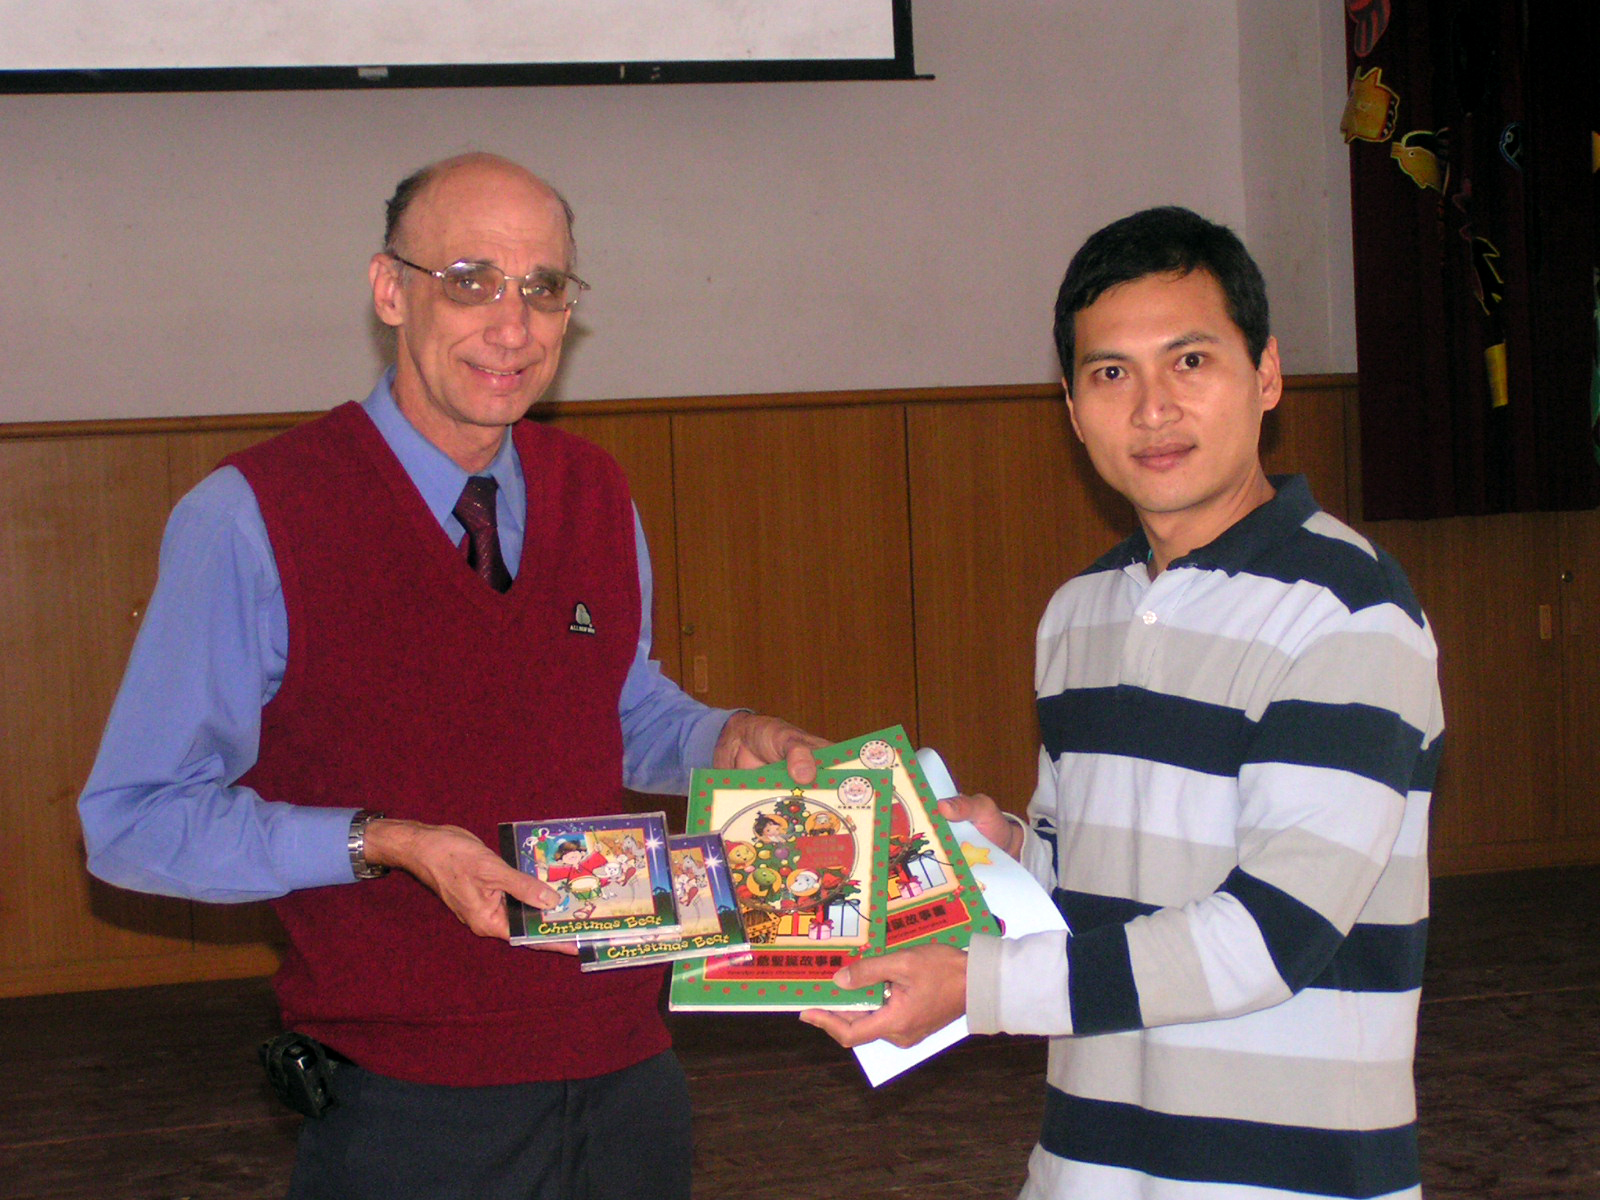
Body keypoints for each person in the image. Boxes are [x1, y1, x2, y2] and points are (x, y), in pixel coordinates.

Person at [79, 151, 823, 1200]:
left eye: (543, 287)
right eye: (471, 280)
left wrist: (725, 736)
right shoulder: (253, 515)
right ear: (390, 291)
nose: (512, 326)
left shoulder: (593, 491)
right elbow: (133, 821)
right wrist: (384, 843)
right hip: (408, 1107)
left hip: (629, 1076)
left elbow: (617, 710)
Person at [804, 207, 1443, 1200]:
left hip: (1286, 1176)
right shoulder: (1080, 614)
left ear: (1266, 374)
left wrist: (977, 987)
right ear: (1070, 406)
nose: (1152, 408)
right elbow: (1087, 889)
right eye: (1110, 373)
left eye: (1189, 361)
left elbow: (1273, 936)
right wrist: (1005, 851)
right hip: (1088, 1164)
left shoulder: (1350, 612)